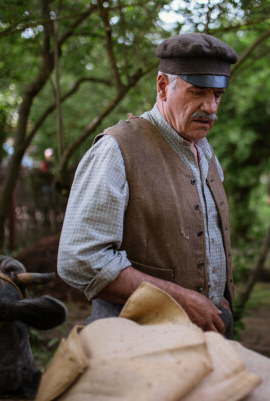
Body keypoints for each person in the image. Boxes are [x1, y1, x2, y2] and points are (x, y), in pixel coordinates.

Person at [57, 33, 239, 338]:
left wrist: (216, 298)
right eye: (197, 93)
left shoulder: (204, 148)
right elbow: (79, 259)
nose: (210, 107)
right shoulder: (117, 149)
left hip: (202, 342)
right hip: (132, 346)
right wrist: (179, 299)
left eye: (217, 96)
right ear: (163, 87)